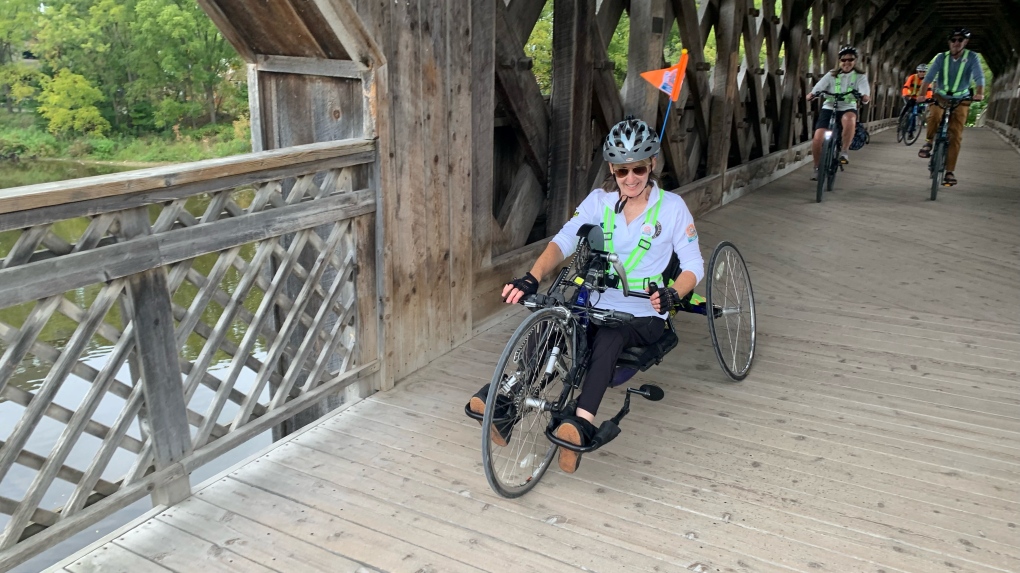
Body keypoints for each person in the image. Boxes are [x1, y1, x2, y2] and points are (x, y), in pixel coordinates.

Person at [468, 117, 704, 474]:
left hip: (643, 310)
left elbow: (694, 265)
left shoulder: (672, 209)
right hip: (595, 299)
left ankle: (578, 423)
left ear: (652, 164)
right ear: (611, 168)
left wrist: (672, 294)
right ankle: (507, 399)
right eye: (622, 171)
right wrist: (533, 277)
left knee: (610, 338)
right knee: (555, 325)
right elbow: (564, 239)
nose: (631, 178)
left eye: (639, 168)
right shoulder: (599, 200)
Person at [916, 28, 986, 187]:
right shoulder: (942, 57)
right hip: (941, 96)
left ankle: (949, 172)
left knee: (956, 135)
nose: (956, 43)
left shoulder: (972, 57)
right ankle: (929, 142)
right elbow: (929, 77)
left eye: (960, 40)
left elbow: (979, 76)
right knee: (934, 115)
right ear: (949, 42)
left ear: (965, 42)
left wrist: (980, 93)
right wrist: (922, 94)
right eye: (953, 40)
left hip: (962, 98)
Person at [805, 46, 871, 180]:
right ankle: (817, 168)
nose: (847, 62)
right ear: (839, 61)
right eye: (844, 59)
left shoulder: (860, 76)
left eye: (850, 59)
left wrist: (865, 96)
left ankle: (844, 151)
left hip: (847, 107)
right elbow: (818, 87)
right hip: (829, 107)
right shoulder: (831, 75)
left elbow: (865, 91)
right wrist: (812, 94)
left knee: (850, 119)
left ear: (855, 61)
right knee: (818, 138)